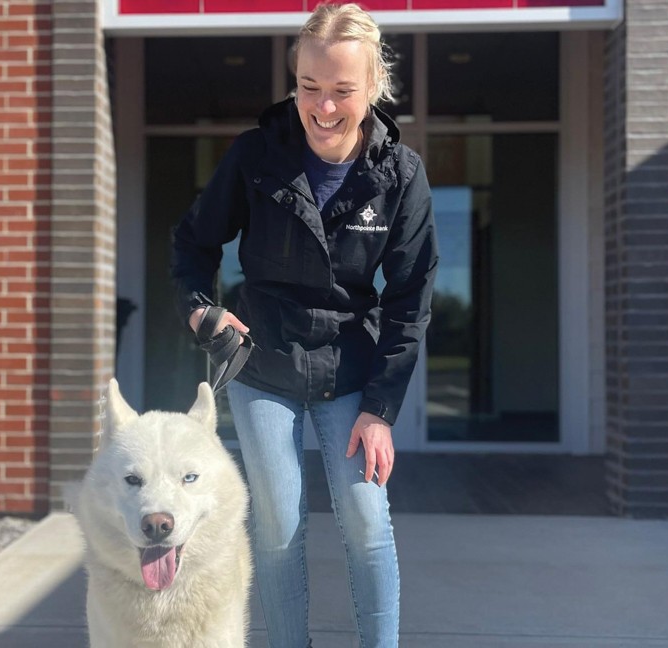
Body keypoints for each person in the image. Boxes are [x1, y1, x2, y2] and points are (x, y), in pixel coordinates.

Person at [170, 4, 438, 646]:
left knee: (367, 521)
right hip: (264, 363)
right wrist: (200, 307)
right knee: (279, 525)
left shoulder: (399, 175)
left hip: (352, 368)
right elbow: (193, 243)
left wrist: (380, 408)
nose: (322, 108)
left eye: (342, 91)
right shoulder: (258, 155)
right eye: (309, 88)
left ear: (372, 87)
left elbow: (410, 297)